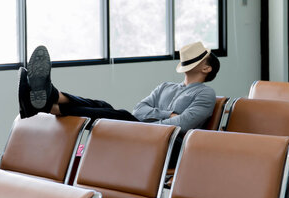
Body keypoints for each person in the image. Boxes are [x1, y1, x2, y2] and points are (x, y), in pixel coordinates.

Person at [17, 42, 220, 165]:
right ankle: (52, 100)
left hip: (171, 146)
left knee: (122, 116)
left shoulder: (206, 94)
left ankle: (47, 102)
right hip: (148, 136)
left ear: (207, 69)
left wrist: (148, 126)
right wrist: (167, 115)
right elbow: (139, 110)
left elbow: (183, 124)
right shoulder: (165, 86)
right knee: (105, 106)